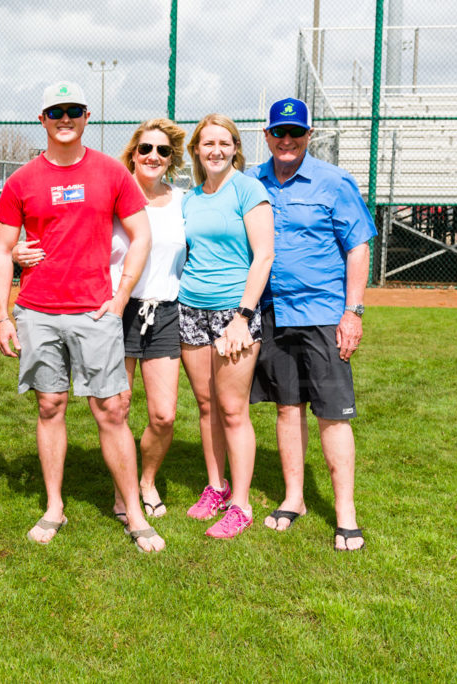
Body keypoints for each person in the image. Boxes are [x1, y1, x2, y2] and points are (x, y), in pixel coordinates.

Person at [0, 81, 164, 553]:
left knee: (111, 410)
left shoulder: (111, 172)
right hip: (38, 312)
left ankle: (132, 511)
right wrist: (3, 316)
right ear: (42, 119)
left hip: (95, 312)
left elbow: (141, 234)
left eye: (73, 110)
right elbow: (3, 250)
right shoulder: (22, 180)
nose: (64, 118)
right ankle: (54, 507)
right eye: (55, 111)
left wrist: (121, 293)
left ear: (87, 116)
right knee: (50, 406)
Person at [13, 118, 188, 523]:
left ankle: (144, 482)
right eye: (146, 149)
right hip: (109, 309)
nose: (153, 157)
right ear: (133, 153)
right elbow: (62, 226)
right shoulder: (106, 185)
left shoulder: (183, 201)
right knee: (116, 407)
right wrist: (19, 251)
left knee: (163, 415)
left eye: (163, 151)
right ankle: (122, 496)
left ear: (171, 158)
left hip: (161, 309)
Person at [248, 97, 375, 551]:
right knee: (287, 409)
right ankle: (294, 498)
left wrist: (352, 311)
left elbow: (358, 245)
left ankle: (345, 514)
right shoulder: (251, 182)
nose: (286, 140)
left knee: (332, 416)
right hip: (272, 312)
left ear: (308, 135)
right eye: (278, 133)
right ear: (266, 136)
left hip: (323, 315)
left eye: (295, 133)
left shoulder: (333, 182)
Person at [177, 113, 274, 539]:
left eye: (224, 142)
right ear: (196, 150)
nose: (215, 150)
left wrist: (242, 317)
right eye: (207, 143)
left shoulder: (248, 189)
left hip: (234, 315)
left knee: (233, 410)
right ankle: (216, 487)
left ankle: (241, 505)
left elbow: (264, 256)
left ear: (235, 147)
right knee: (206, 405)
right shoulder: (190, 198)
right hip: (190, 309)